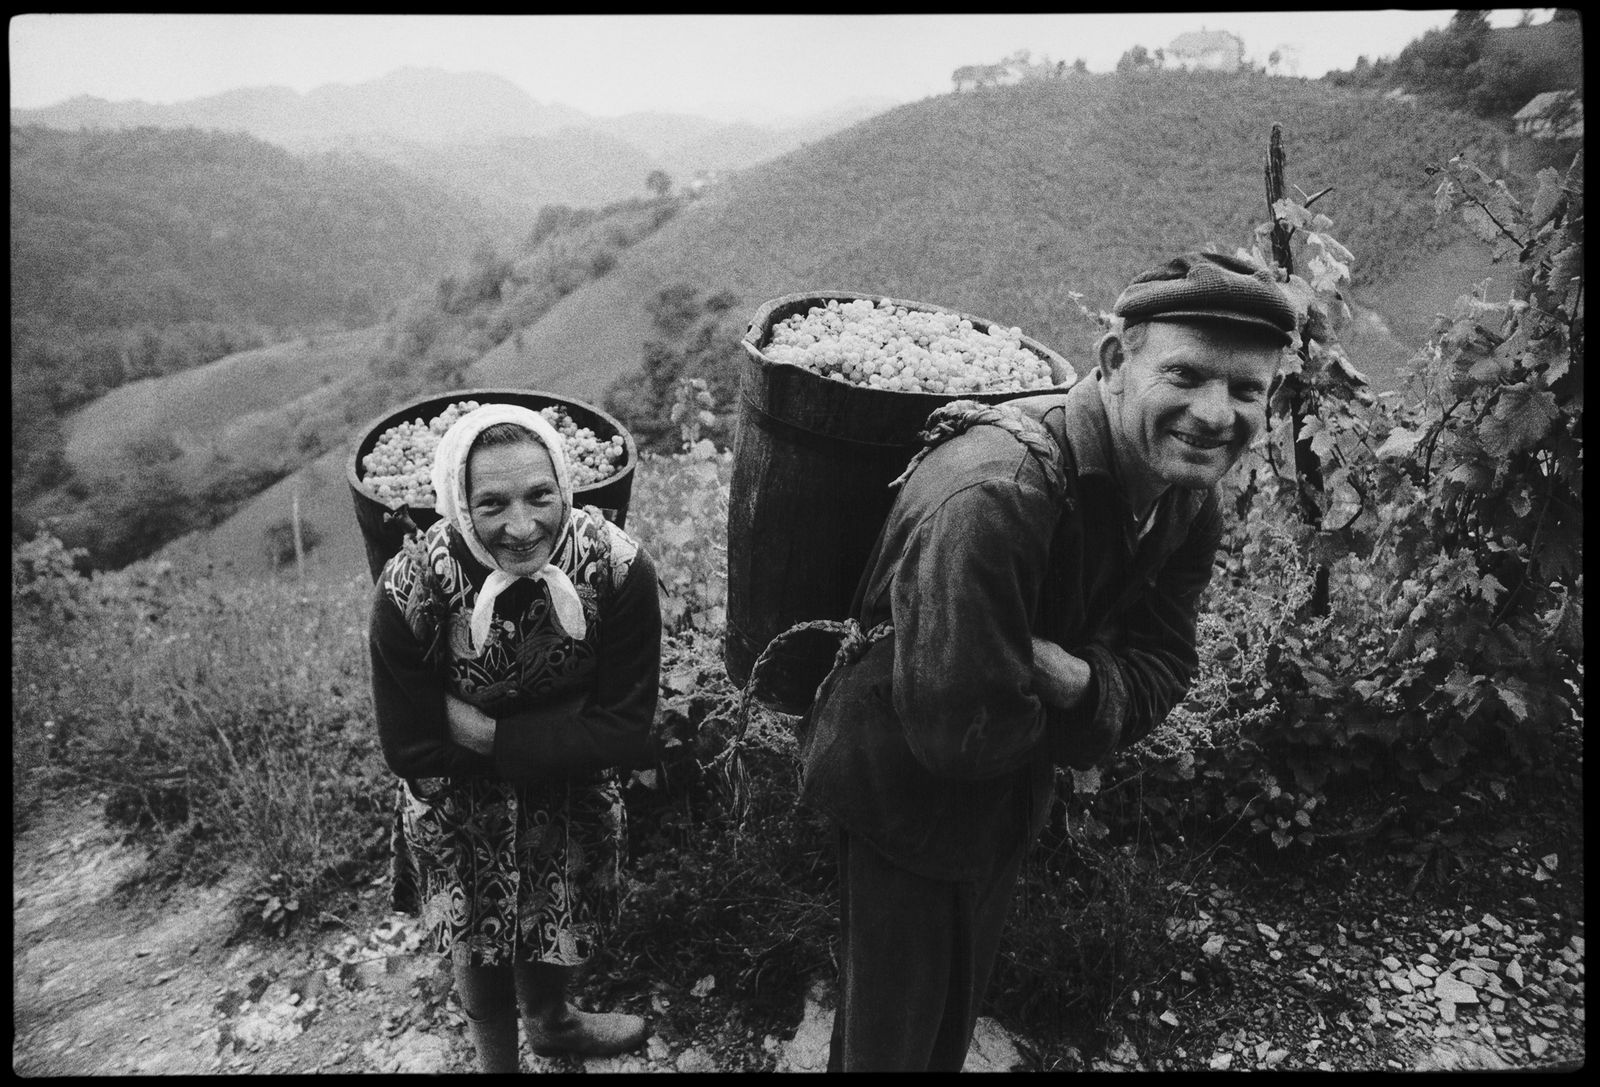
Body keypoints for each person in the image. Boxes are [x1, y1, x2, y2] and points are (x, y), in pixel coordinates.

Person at [798, 251, 1296, 1071]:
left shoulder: (1184, 495)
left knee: (950, 1015)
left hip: (1007, 790)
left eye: (1247, 389)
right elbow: (962, 736)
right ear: (1115, 362)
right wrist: (1095, 709)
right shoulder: (999, 494)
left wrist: (1077, 679)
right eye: (1185, 374)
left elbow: (1167, 664)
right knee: (890, 1034)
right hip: (899, 787)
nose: (1216, 414)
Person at [368, 402, 661, 1072]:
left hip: (566, 797)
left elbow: (624, 731)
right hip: (461, 807)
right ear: (457, 503)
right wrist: (569, 729)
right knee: (478, 933)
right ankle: (496, 1064)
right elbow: (411, 749)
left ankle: (553, 1023)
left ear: (564, 485)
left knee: (556, 911)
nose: (523, 526)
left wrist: (484, 731)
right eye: (492, 504)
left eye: (540, 495)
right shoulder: (412, 587)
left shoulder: (616, 569)